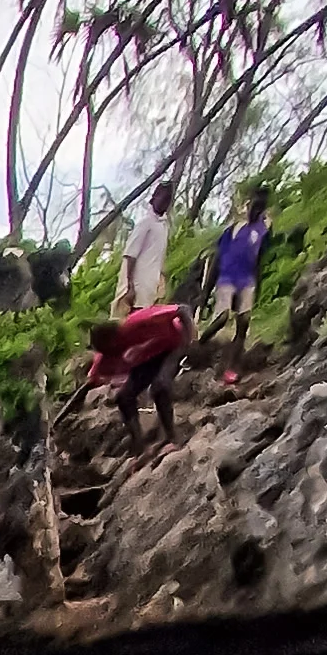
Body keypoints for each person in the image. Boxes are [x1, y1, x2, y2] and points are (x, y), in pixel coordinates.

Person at [73, 299, 191, 456]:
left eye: (112, 350)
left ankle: (173, 438)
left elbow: (183, 309)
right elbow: (90, 382)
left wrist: (188, 339)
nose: (113, 355)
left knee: (159, 387)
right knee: (124, 396)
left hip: (173, 345)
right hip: (150, 358)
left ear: (115, 339)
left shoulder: (137, 322)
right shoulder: (106, 354)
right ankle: (139, 445)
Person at [210, 182, 275, 381]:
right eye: (254, 205)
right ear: (248, 205)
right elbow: (218, 257)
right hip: (227, 277)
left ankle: (233, 366)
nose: (255, 210)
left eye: (260, 207)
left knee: (243, 322)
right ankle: (202, 341)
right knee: (222, 318)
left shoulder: (264, 229)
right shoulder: (234, 227)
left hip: (247, 279)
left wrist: (258, 282)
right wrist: (207, 289)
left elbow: (260, 258)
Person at [121, 180, 177, 314]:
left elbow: (159, 258)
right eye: (163, 199)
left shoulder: (163, 226)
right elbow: (130, 255)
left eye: (168, 201)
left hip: (152, 287)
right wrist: (129, 286)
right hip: (139, 287)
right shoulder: (145, 223)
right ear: (154, 198)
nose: (164, 203)